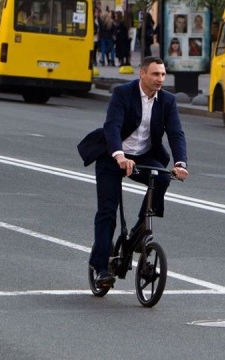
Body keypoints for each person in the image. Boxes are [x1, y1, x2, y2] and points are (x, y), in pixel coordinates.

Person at [77, 56, 189, 287]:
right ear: (142, 74)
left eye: (163, 74)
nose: (160, 79)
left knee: (162, 178)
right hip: (113, 155)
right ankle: (101, 268)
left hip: (143, 156)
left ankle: (139, 232)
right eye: (155, 74)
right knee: (108, 211)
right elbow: (113, 126)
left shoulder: (167, 101)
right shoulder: (123, 93)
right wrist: (119, 155)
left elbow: (176, 133)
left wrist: (180, 163)